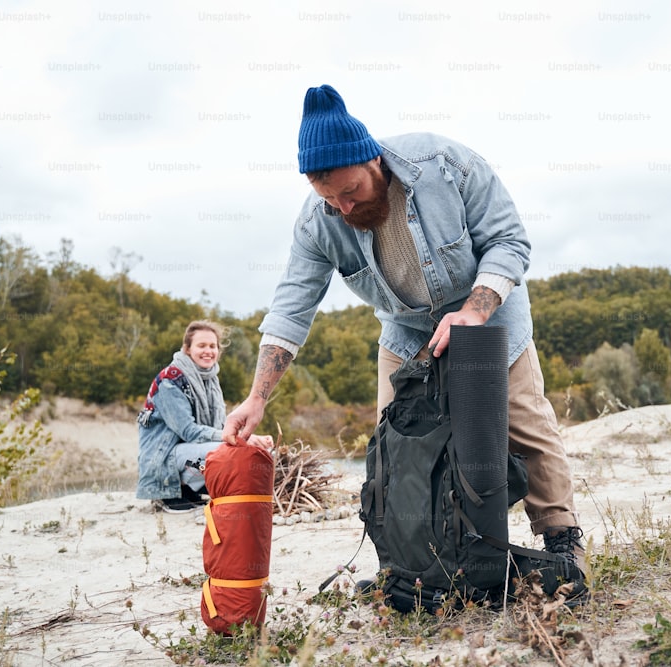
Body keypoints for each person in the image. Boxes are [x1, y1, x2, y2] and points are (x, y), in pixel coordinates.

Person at [222, 84, 587, 597]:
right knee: (397, 446)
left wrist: (473, 311)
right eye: (330, 199)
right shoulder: (319, 220)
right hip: (405, 327)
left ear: (373, 160)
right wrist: (257, 399)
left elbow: (509, 241)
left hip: (488, 304)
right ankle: (413, 563)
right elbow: (290, 308)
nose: (344, 208)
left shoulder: (445, 165)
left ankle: (561, 540)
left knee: (525, 421)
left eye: (350, 192)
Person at [137, 320, 272, 513]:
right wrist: (239, 439)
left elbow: (221, 425)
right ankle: (170, 494)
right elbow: (190, 432)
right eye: (201, 346)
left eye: (212, 346)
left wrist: (247, 437)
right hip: (164, 457)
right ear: (187, 349)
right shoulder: (169, 380)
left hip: (187, 452)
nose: (208, 351)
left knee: (242, 450)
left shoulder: (210, 378)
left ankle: (189, 490)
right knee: (224, 450)